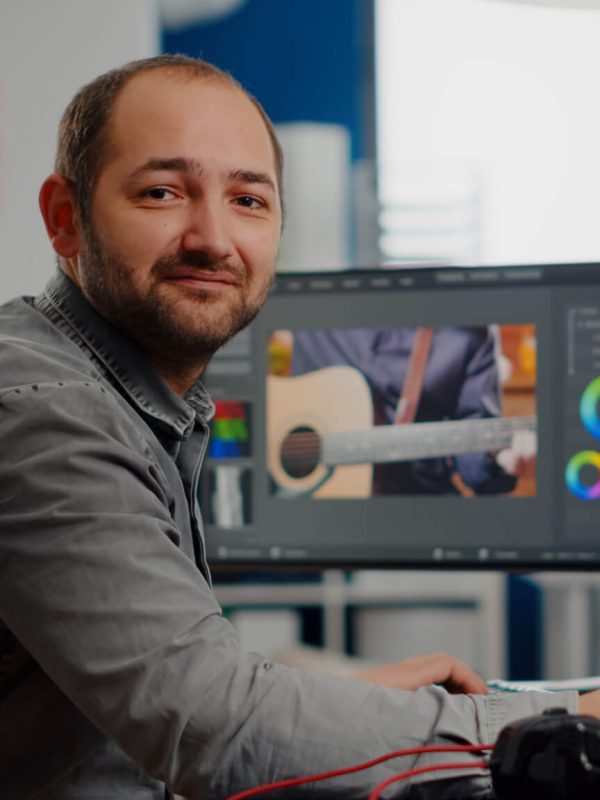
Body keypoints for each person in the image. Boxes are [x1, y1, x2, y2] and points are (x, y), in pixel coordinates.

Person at [0, 54, 597, 800]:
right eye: (162, 192)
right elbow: (213, 728)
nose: (213, 236)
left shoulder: (133, 399)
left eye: (249, 200)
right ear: (65, 217)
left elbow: (164, 711)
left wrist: (355, 708)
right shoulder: (41, 409)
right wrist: (556, 722)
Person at [287, 326, 535, 495]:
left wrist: (499, 459)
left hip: (422, 511)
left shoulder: (467, 332)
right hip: (311, 514)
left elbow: (474, 464)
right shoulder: (315, 317)